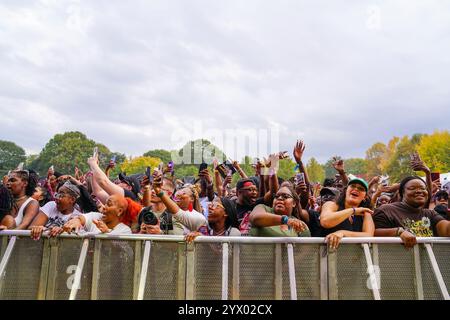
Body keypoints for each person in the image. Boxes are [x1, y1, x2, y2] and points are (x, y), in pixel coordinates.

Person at [373, 176, 450, 247]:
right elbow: (373, 233)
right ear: (402, 193)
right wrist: (399, 232)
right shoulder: (387, 210)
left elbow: (446, 230)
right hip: (396, 260)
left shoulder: (430, 214)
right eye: (412, 188)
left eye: (423, 188)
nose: (419, 191)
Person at [320, 178, 375, 249]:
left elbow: (369, 236)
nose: (356, 189)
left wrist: (343, 233)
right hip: (327, 255)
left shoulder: (365, 213)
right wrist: (352, 210)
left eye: (361, 189)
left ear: (365, 197)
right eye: (352, 186)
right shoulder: (331, 205)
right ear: (346, 191)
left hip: (352, 258)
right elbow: (325, 221)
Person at [63, 194, 132, 235]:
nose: (104, 207)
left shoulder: (125, 230)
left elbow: (123, 252)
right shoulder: (95, 217)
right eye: (105, 203)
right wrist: (76, 221)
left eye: (109, 204)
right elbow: (81, 218)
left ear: (119, 211)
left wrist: (107, 232)